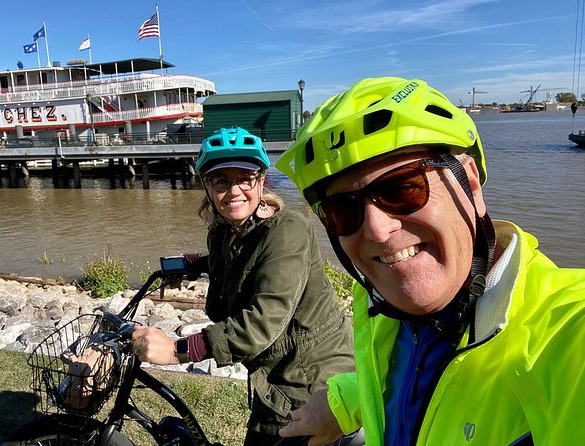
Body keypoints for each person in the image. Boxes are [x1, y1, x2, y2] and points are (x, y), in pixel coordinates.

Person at [275, 77, 585, 445]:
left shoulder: (567, 334)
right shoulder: (385, 315)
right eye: (342, 209)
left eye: (403, 187)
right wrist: (343, 403)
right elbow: (413, 375)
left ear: (469, 184)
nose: (376, 229)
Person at [132, 127, 355, 446]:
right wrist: (197, 263)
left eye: (244, 177)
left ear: (261, 181)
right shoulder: (225, 230)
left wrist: (177, 350)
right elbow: (242, 258)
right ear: (207, 187)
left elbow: (263, 321)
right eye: (221, 180)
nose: (234, 190)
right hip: (273, 373)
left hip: (309, 378)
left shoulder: (288, 229)